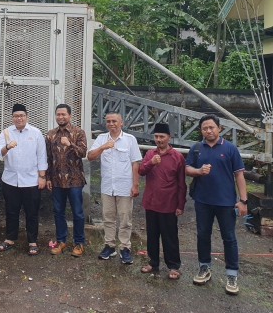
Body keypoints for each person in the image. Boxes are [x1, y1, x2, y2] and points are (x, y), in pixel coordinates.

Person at [186, 114, 248, 295]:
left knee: (229, 238)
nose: (208, 131)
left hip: (226, 202)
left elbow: (239, 175)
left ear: (219, 128)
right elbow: (187, 168)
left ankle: (232, 274)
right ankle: (204, 267)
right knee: (203, 235)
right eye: (205, 128)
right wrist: (198, 171)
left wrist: (243, 201)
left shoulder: (230, 149)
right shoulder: (197, 149)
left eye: (211, 127)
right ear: (201, 131)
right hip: (203, 201)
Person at [87, 112, 142, 264]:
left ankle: (125, 248)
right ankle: (110, 246)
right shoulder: (101, 138)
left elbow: (135, 163)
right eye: (108, 121)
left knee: (125, 219)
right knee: (108, 218)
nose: (111, 124)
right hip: (107, 187)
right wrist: (104, 147)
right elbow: (90, 156)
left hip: (125, 186)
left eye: (114, 121)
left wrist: (135, 185)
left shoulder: (130, 140)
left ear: (121, 123)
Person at [0, 104, 48, 256]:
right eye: (16, 116)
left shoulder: (36, 133)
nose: (19, 118)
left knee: (32, 212)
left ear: (27, 117)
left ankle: (32, 241)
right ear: (12, 118)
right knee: (11, 211)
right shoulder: (6, 132)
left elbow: (41, 156)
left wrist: (42, 176)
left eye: (22, 116)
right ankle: (10, 238)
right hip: (10, 180)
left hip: (31, 180)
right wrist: (7, 147)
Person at [138, 123, 186, 279]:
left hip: (168, 203)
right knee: (152, 235)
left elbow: (181, 183)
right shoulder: (150, 154)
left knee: (170, 236)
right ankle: (153, 262)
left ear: (169, 138)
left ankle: (173, 266)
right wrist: (151, 163)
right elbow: (141, 171)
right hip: (151, 202)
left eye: (162, 137)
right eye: (156, 137)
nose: (159, 140)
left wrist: (180, 204)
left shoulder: (177, 157)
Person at [45, 104, 88, 257]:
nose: (61, 117)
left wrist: (70, 144)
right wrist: (48, 177)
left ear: (70, 116)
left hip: (74, 180)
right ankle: (61, 241)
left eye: (63, 114)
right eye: (58, 114)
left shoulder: (78, 132)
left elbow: (83, 153)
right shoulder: (50, 135)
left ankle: (79, 243)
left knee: (77, 212)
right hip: (56, 180)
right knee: (58, 212)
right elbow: (48, 159)